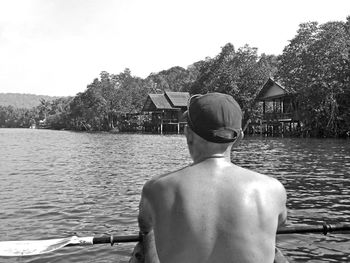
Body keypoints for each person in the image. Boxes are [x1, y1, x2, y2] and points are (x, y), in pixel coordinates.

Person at [130, 92, 288, 263]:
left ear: (188, 134)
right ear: (239, 138)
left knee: (150, 236)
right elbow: (280, 222)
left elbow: (145, 226)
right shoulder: (274, 189)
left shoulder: (156, 188)